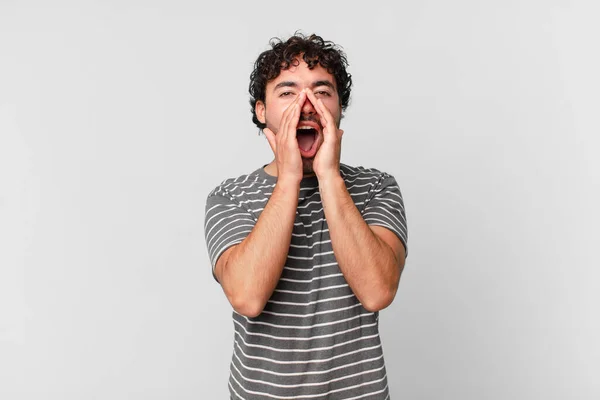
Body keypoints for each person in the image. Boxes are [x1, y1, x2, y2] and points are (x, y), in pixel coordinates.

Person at [204, 32, 408, 399]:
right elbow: (248, 297)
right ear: (261, 111)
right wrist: (290, 178)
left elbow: (377, 291)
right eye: (287, 92)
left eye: (322, 91)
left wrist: (329, 175)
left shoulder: (378, 188)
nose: (307, 105)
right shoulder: (229, 196)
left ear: (339, 108)